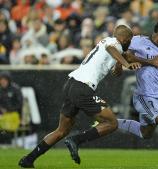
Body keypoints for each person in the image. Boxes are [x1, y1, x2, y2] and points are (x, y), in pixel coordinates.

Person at [65, 17, 158, 169]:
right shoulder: (138, 41)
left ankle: (111, 122)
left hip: (156, 97)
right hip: (143, 96)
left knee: (145, 132)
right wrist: (149, 61)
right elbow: (126, 55)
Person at [18, 25, 147, 168]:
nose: (130, 43)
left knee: (61, 130)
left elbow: (117, 65)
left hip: (71, 84)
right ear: (123, 39)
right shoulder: (113, 44)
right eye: (129, 40)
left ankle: (28, 159)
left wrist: (121, 64)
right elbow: (111, 49)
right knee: (112, 123)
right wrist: (127, 64)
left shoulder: (107, 41)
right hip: (83, 87)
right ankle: (76, 140)